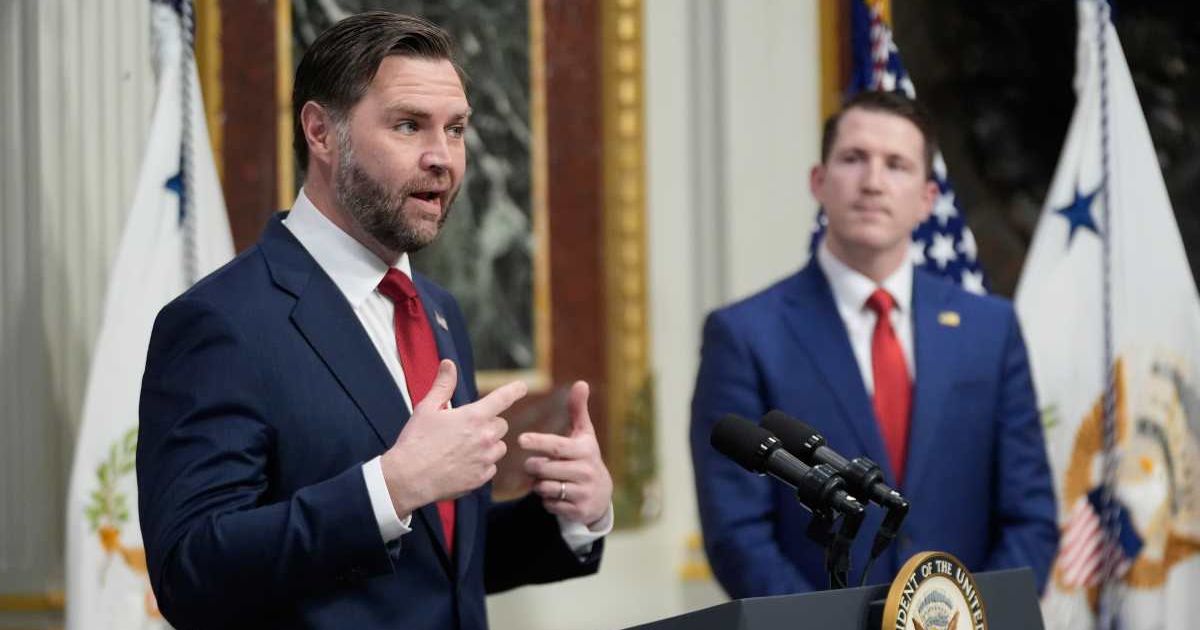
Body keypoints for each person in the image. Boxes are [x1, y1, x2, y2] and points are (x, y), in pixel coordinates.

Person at [137, 12, 613, 629]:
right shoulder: (219, 323)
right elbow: (191, 572)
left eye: (457, 129)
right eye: (408, 125)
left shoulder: (438, 314)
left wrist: (573, 514)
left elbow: (435, 565)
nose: (442, 158)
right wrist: (388, 488)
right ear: (321, 133)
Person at [689, 90, 1058, 598]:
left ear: (928, 198)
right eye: (853, 158)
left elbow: (1030, 517)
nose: (873, 182)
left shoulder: (990, 330)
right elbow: (737, 535)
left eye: (897, 165)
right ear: (819, 181)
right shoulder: (745, 336)